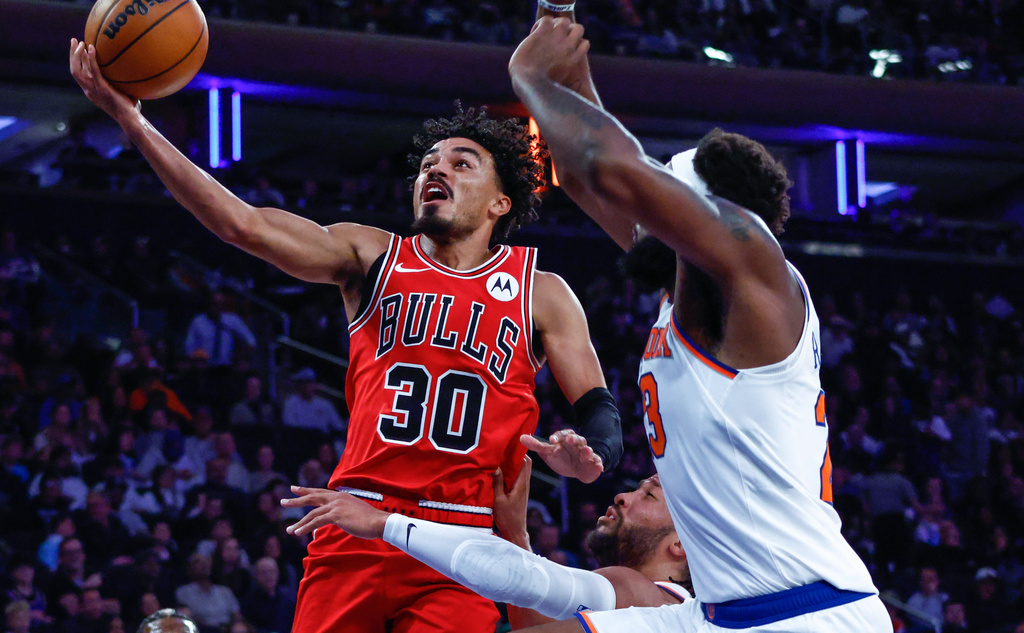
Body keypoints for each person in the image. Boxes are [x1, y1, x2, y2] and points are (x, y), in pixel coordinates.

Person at [69, 40, 622, 633]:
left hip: (462, 540)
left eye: (461, 163)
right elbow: (242, 225)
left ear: (499, 202)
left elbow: (600, 415)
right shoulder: (371, 254)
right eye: (429, 162)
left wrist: (585, 461)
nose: (436, 168)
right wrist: (132, 121)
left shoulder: (540, 290)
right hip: (357, 516)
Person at [506, 10, 889, 633]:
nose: (653, 208)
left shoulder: (752, 267)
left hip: (808, 612)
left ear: (706, 210)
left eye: (668, 194)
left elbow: (612, 167)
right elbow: (577, 173)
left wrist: (528, 76)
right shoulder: (688, 283)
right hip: (724, 611)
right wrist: (567, 54)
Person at [282, 456, 690, 630]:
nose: (622, 496)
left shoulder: (648, 599)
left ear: (683, 547)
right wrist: (516, 534)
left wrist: (384, 522)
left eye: (648, 495)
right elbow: (540, 614)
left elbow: (525, 580)